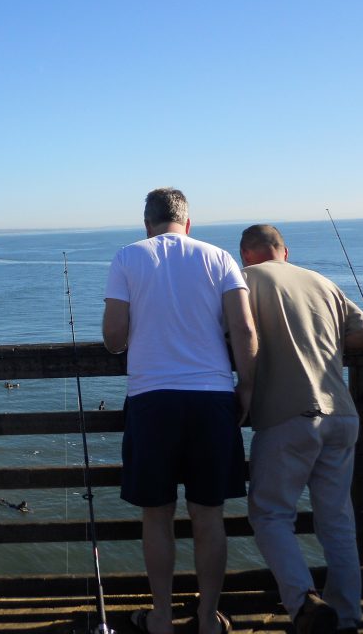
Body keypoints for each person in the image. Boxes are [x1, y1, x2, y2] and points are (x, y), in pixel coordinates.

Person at [101, 188, 258, 634]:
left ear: (146, 223)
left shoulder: (127, 258)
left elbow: (114, 338)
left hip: (152, 401)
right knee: (208, 515)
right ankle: (208, 618)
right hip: (212, 398)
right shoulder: (220, 257)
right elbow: (244, 328)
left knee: (157, 514)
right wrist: (245, 387)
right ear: (187, 223)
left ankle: (162, 618)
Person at [240, 224, 363, 634]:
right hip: (342, 414)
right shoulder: (322, 281)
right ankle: (348, 616)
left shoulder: (246, 279)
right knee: (337, 520)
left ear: (246, 254)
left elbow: (229, 333)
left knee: (269, 514)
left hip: (288, 415)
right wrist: (328, 342)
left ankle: (304, 605)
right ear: (285, 250)